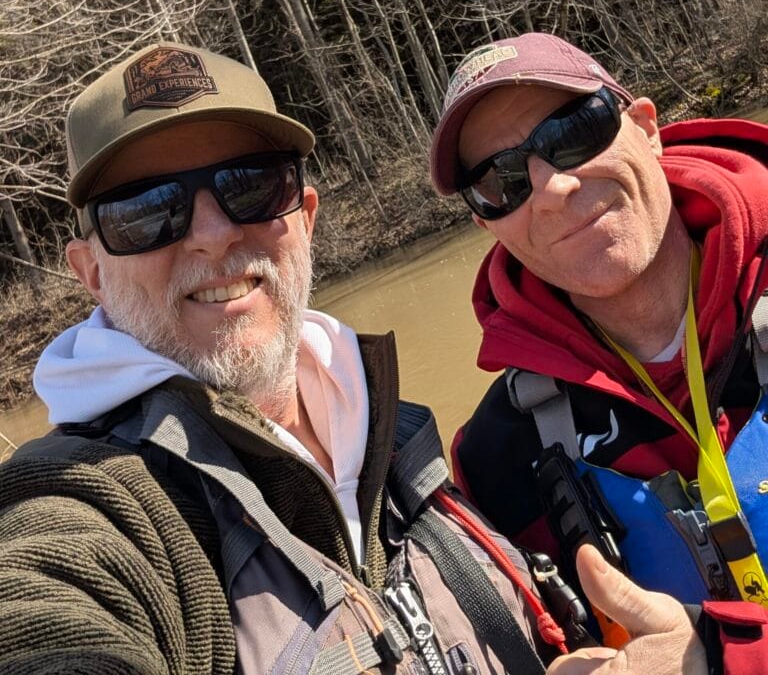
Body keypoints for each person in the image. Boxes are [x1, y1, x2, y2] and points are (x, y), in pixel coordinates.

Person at [0, 40, 707, 675]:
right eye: (146, 210)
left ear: (303, 218)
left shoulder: (405, 440)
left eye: (251, 186)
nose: (213, 235)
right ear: (90, 270)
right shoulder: (89, 508)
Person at [429, 31, 768, 673]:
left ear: (646, 127)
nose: (551, 188)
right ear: (486, 223)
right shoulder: (498, 457)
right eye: (501, 182)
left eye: (572, 132)